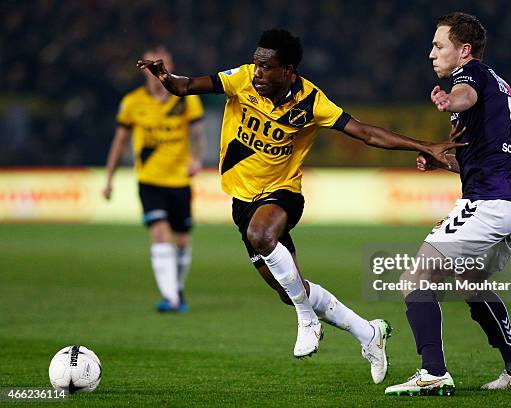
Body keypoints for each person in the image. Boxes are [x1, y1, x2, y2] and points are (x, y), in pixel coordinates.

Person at [137, 29, 463, 383]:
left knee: (262, 236)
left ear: (288, 71)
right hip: (242, 201)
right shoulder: (241, 79)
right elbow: (185, 87)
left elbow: (366, 133)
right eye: (257, 63)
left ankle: (307, 320)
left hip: (282, 194)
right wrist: (166, 77)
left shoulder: (311, 101)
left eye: (266, 66)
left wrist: (425, 146)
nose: (257, 72)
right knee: (288, 289)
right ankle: (369, 333)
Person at [385, 12, 511, 396]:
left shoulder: (470, 76)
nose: (431, 53)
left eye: (439, 46)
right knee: (472, 283)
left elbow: (464, 95)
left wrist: (448, 100)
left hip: (488, 203)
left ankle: (433, 373)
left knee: (415, 279)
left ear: (464, 50)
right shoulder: (500, 86)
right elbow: (477, 157)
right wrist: (442, 161)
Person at [103, 46, 205, 313]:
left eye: (163, 64)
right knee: (159, 233)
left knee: (181, 241)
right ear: (144, 70)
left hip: (179, 180)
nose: (157, 70)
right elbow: (120, 141)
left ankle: (176, 291)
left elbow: (197, 133)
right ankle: (170, 298)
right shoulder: (132, 102)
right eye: (152, 66)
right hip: (149, 180)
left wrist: (197, 159)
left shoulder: (186, 98)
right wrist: (109, 177)